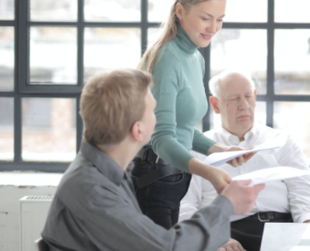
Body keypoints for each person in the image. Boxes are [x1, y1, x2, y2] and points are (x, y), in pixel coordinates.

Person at [41, 69, 265, 251]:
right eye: (154, 112)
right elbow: (166, 247)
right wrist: (226, 204)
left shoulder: (103, 169)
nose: (162, 119)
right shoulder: (92, 189)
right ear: (138, 130)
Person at [132, 0, 253, 229]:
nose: (214, 28)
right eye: (206, 17)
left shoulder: (194, 58)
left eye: (220, 18)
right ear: (180, 11)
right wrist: (208, 170)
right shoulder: (166, 58)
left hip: (174, 176)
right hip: (154, 177)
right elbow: (162, 139)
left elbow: (182, 129)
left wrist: (220, 151)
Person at [179, 70, 310, 251]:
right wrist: (213, 238)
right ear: (215, 105)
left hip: (284, 229)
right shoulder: (198, 149)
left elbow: (303, 190)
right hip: (229, 234)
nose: (244, 105)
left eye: (248, 96)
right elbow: (186, 205)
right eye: (233, 98)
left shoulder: (281, 141)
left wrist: (307, 222)